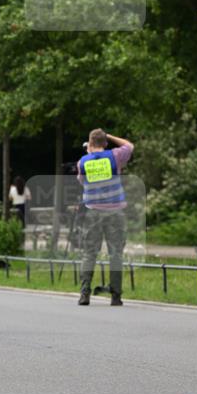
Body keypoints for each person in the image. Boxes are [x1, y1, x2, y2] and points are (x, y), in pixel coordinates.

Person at [76, 128, 134, 306]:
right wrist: (108, 136)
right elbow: (129, 146)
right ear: (106, 143)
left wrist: (90, 154)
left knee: (89, 253)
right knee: (116, 254)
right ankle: (116, 296)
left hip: (93, 212)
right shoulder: (115, 156)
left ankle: (85, 293)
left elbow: (82, 181)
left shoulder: (82, 162)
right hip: (115, 212)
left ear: (90, 143)